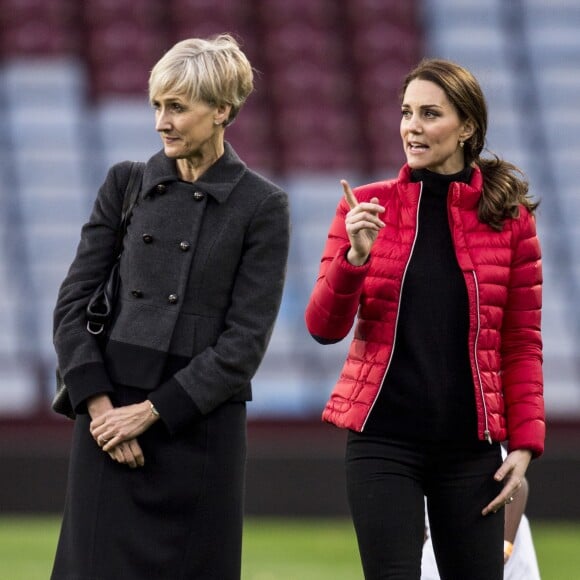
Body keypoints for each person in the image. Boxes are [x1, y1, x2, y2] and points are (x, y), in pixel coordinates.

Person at [51, 34, 290, 580]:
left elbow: (245, 342)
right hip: (105, 423)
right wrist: (102, 410)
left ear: (222, 111)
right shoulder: (124, 183)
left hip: (196, 427)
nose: (162, 121)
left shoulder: (263, 205)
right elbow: (72, 305)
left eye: (177, 107)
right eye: (157, 105)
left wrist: (153, 412)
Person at [305, 58, 544, 579]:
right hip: (382, 442)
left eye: (430, 114)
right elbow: (323, 327)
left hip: (471, 450)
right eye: (407, 112)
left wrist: (524, 445)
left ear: (468, 128)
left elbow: (521, 342)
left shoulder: (510, 220)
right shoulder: (364, 206)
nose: (412, 126)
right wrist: (356, 260)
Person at [422, 449, 541, 579]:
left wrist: (504, 549)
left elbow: (519, 486)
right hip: (443, 543)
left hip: (494, 535)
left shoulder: (472, 443)